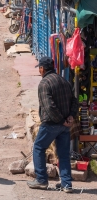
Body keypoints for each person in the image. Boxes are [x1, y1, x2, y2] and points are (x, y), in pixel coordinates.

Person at [27, 57, 78, 193]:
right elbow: (74, 100)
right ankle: (66, 184)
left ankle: (42, 180)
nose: (39, 70)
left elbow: (49, 107)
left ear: (43, 69)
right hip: (65, 125)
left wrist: (61, 120)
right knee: (64, 154)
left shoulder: (44, 83)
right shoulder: (64, 81)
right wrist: (70, 117)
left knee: (38, 147)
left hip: (52, 124)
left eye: (40, 68)